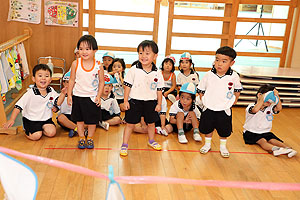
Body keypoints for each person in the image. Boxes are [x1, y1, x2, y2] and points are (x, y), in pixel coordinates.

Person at [120, 40, 164, 156]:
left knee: (151, 123)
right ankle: (124, 144)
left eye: (147, 53)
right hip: (135, 101)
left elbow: (159, 90)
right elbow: (127, 86)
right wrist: (125, 101)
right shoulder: (134, 69)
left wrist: (159, 104)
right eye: (140, 53)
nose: (143, 56)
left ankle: (151, 141)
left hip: (151, 102)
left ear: (155, 56)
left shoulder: (158, 73)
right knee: (130, 124)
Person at [197, 46, 242, 158]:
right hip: (209, 107)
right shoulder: (208, 75)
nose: (219, 64)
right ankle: (207, 144)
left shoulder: (234, 76)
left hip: (224, 108)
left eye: (224, 61)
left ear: (232, 63)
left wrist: (234, 100)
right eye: (217, 60)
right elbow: (201, 90)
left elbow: (237, 89)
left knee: (224, 129)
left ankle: (223, 146)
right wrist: (204, 100)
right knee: (208, 127)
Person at [3, 64, 59, 141]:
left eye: (46, 76)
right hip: (31, 120)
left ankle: (40, 129)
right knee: (36, 136)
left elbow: (57, 100)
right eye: (40, 76)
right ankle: (28, 129)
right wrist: (12, 119)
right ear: (33, 79)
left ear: (50, 79)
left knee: (52, 133)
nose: (43, 78)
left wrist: (56, 105)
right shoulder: (30, 93)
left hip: (46, 119)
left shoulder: (51, 90)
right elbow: (18, 106)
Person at [67, 35, 105, 149]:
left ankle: (90, 138)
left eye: (87, 49)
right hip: (78, 96)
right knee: (79, 120)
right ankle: (81, 137)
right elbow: (72, 79)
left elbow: (102, 82)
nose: (84, 52)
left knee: (92, 120)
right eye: (81, 48)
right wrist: (69, 94)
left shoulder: (98, 65)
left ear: (95, 50)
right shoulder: (75, 63)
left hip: (92, 97)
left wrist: (98, 96)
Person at [243, 84, 297, 157]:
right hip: (251, 132)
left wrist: (277, 96)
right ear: (259, 95)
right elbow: (255, 110)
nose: (269, 102)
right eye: (268, 100)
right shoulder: (252, 106)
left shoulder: (270, 108)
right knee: (262, 141)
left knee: (273, 140)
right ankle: (276, 149)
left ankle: (288, 149)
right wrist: (262, 99)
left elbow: (279, 108)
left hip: (265, 131)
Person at [55, 71, 78, 137]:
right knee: (60, 118)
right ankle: (78, 129)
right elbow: (58, 104)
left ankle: (74, 128)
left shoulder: (78, 95)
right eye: (67, 82)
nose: (69, 85)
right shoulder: (60, 95)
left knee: (90, 119)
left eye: (72, 83)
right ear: (63, 83)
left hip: (77, 117)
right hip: (66, 118)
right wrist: (63, 94)